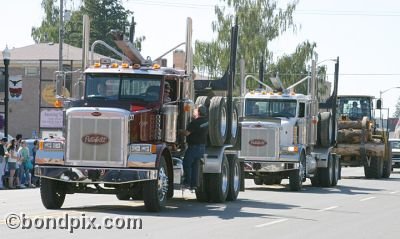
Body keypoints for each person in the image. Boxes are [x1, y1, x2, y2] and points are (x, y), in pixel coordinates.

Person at [180, 104, 209, 190]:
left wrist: (179, 131)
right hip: (202, 147)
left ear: (198, 112)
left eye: (195, 110)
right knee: (195, 165)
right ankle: (194, 184)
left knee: (186, 164)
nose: (194, 111)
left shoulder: (195, 122)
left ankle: (187, 182)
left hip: (193, 147)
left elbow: (187, 133)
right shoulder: (206, 121)